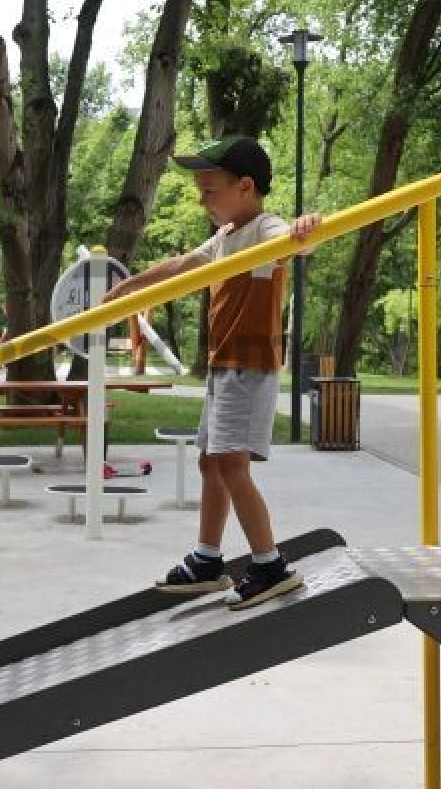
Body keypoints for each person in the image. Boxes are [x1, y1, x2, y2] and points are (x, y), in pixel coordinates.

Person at [103, 135, 320, 610]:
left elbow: (296, 243)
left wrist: (306, 228)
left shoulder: (265, 229)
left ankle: (270, 565)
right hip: (225, 365)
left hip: (249, 364)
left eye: (210, 191)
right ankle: (207, 558)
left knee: (231, 465)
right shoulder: (225, 237)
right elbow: (184, 264)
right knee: (210, 462)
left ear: (245, 187)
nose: (204, 201)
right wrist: (131, 286)